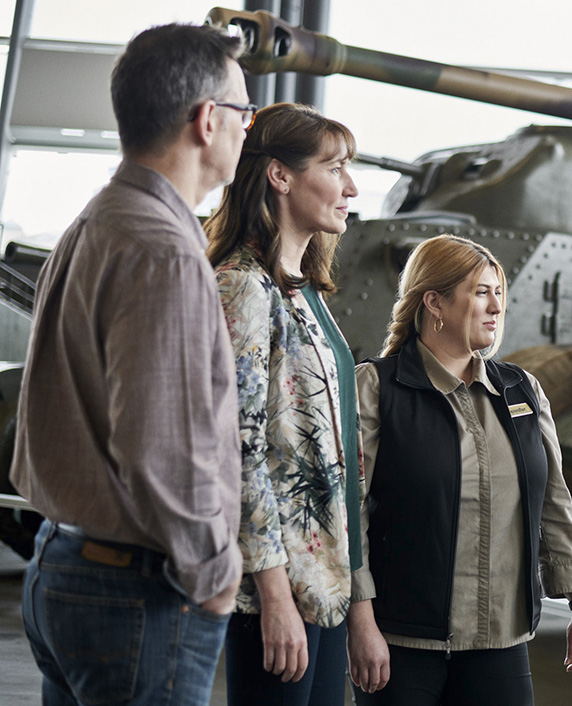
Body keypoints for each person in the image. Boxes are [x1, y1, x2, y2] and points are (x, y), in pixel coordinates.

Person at [10, 22, 250, 706]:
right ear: (208, 121)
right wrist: (215, 570)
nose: (246, 128)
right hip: (136, 590)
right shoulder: (164, 252)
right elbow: (162, 445)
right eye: (243, 112)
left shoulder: (97, 222)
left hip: (62, 563)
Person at [346, 234, 572, 706]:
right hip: (403, 642)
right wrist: (361, 622)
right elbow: (349, 515)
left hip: (501, 641)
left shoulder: (522, 390)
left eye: (498, 293)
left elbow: (552, 501)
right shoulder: (376, 388)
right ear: (435, 301)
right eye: (481, 292)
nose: (495, 306)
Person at [204, 102, 361, 706]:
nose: (350, 186)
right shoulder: (243, 285)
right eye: (335, 167)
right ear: (280, 175)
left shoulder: (301, 292)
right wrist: (273, 594)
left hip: (322, 585)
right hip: (276, 588)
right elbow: (237, 449)